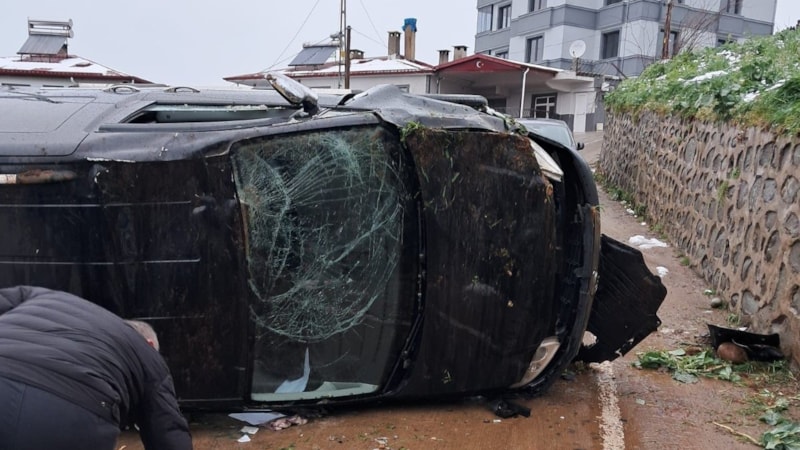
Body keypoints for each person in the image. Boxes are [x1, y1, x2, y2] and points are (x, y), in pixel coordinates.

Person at [0, 285, 193, 450]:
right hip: (71, 414)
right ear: (150, 343)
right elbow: (168, 431)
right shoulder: (146, 353)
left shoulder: (45, 296)